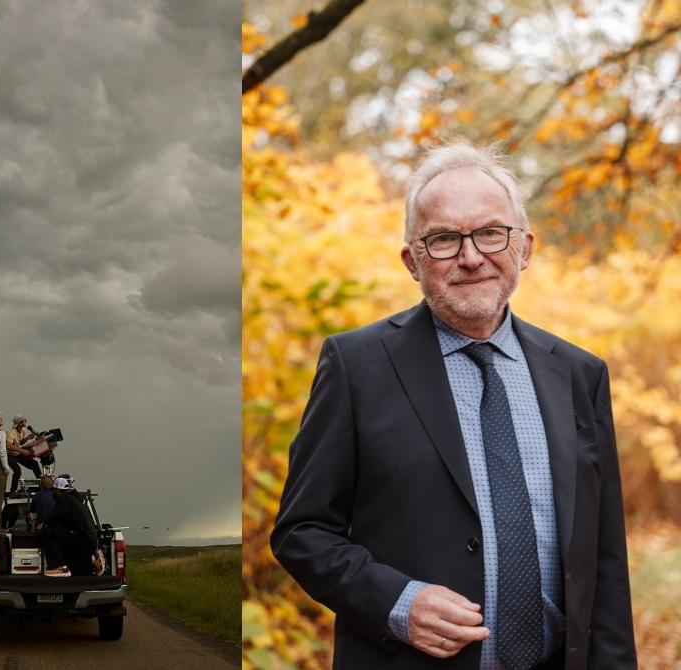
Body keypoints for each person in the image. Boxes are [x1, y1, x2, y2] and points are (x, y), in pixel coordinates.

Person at [271, 142, 636, 670]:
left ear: (525, 247)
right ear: (411, 261)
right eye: (443, 239)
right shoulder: (356, 366)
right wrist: (397, 604)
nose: (471, 257)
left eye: (491, 232)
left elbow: (605, 558)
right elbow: (301, 531)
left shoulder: (580, 374)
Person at [36, 477, 100, 577]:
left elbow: (55, 517)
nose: (52, 493)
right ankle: (92, 558)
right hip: (89, 541)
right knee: (60, 532)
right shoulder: (77, 500)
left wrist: (43, 524)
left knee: (48, 530)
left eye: (53, 490)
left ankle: (59, 567)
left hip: (83, 540)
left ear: (58, 490)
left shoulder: (64, 499)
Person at [5, 413, 42, 493]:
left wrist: (27, 438)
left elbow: (20, 442)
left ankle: (42, 486)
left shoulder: (23, 430)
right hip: (10, 455)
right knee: (17, 470)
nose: (26, 421)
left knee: (35, 464)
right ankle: (13, 491)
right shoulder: (10, 432)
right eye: (24, 420)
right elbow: (8, 446)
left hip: (18, 454)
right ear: (20, 423)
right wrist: (22, 450)